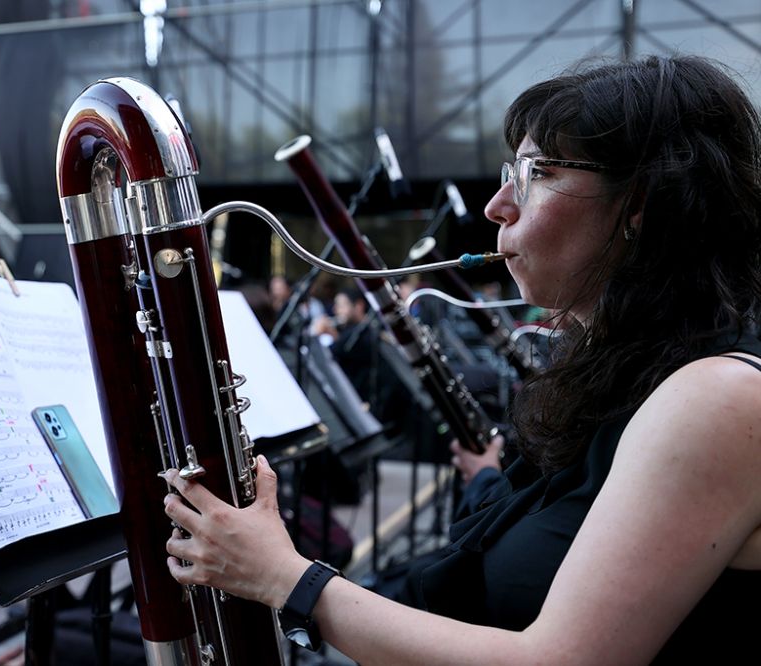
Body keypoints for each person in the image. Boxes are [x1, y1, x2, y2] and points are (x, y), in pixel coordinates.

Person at [159, 55, 761, 664]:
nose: (497, 206)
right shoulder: (617, 372)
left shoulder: (718, 397)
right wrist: (496, 485)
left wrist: (287, 579)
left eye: (536, 173)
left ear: (641, 204)